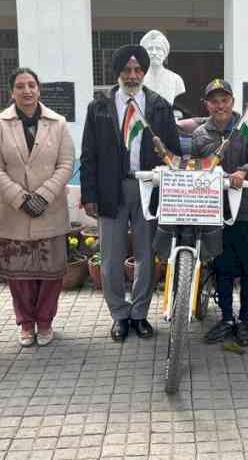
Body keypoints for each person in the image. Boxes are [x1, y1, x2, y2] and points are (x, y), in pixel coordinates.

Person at [80, 45, 181, 342]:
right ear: (117, 73)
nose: (133, 75)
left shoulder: (159, 105)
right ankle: (119, 315)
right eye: (127, 70)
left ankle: (139, 314)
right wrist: (89, 195)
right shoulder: (99, 106)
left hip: (148, 189)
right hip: (111, 189)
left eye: (138, 70)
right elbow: (88, 155)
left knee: (146, 255)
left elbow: (172, 153)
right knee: (110, 258)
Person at [0, 67, 75, 348]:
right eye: (20, 86)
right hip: (16, 211)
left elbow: (66, 163)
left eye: (31, 85)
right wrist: (20, 197)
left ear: (39, 89)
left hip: (50, 208)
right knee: (19, 274)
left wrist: (44, 195)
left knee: (50, 273)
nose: (27, 91)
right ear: (12, 91)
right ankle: (25, 323)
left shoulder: (57, 123)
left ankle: (45, 321)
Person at [192, 79, 248, 346]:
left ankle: (245, 318)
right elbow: (195, 167)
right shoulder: (200, 134)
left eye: (224, 100)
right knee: (222, 269)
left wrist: (243, 171)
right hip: (215, 212)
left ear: (232, 102)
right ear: (207, 104)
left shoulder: (247, 126)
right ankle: (226, 318)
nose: (219, 105)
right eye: (214, 100)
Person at [140, 30, 186, 106]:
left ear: (164, 53)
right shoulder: (138, 79)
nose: (154, 53)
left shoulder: (176, 80)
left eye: (158, 49)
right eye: (150, 49)